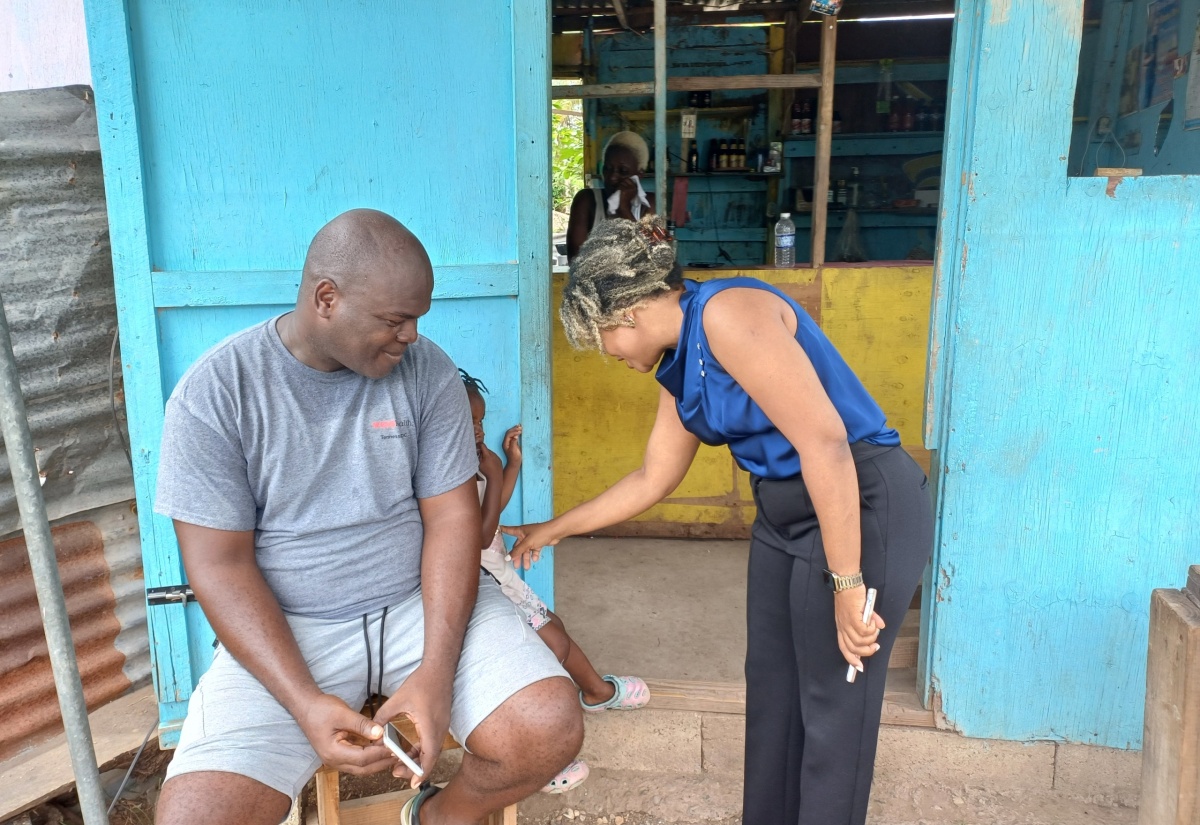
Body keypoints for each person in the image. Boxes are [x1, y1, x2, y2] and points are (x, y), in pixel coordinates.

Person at [151, 209, 583, 825]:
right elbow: (218, 565)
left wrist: (436, 672)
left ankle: (441, 816)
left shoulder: (426, 370)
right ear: (327, 297)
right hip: (291, 624)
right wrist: (303, 702)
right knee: (195, 818)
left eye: (417, 320)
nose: (410, 336)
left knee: (547, 728)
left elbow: (454, 523)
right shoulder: (215, 393)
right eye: (394, 319)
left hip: (419, 603)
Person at [504, 215, 933, 825]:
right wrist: (551, 529)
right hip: (786, 515)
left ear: (623, 314)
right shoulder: (680, 366)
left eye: (599, 337)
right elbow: (653, 478)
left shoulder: (728, 312)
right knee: (774, 694)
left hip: (858, 502)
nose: (604, 353)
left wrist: (847, 582)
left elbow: (827, 446)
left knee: (834, 704)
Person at [459, 369, 650, 794]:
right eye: (467, 422)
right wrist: (491, 472)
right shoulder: (445, 474)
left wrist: (510, 465)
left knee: (555, 628)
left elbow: (494, 504)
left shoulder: (474, 463)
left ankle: (596, 692)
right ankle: (541, 759)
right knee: (550, 648)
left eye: (481, 421)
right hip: (484, 586)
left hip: (500, 576)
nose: (477, 431)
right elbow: (472, 538)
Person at [565, 130, 656, 261]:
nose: (612, 177)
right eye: (607, 168)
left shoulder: (649, 204)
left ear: (639, 174)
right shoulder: (587, 200)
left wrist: (623, 209)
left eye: (623, 171)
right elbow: (575, 259)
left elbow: (651, 260)